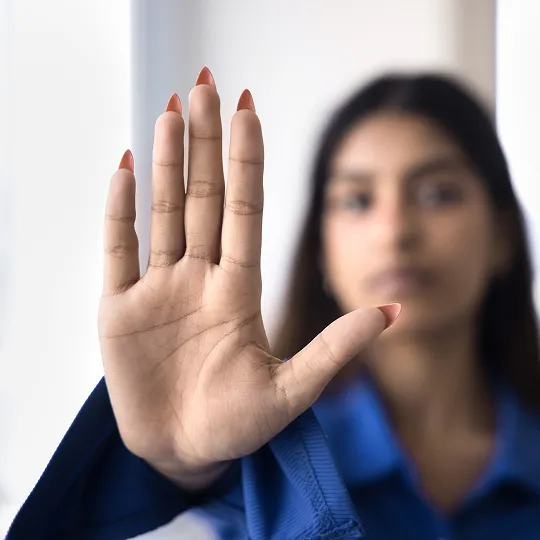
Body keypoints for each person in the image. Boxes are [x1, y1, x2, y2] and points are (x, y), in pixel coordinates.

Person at [7, 67, 540, 540]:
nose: (394, 232)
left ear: (503, 237)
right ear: (322, 252)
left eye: (436, 193)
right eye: (357, 200)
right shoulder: (256, 474)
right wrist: (180, 469)